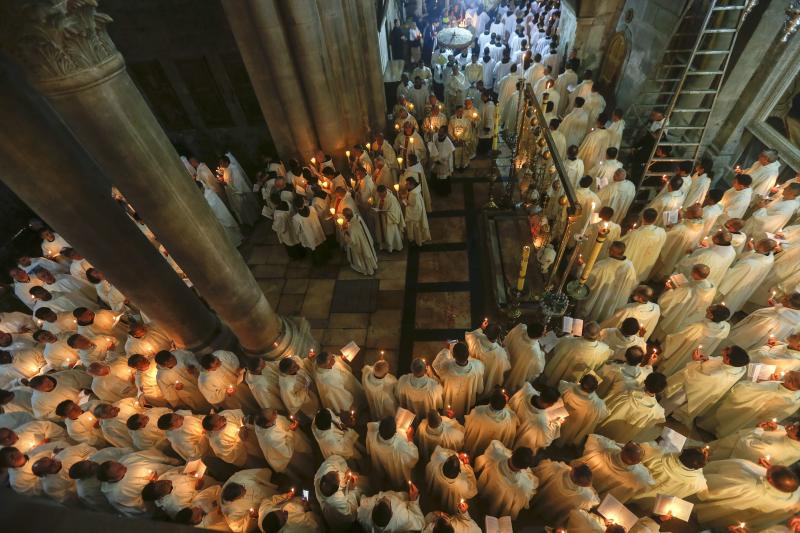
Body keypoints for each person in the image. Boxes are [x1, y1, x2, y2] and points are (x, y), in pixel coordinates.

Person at [696, 461, 800, 530]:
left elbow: (711, 489)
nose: (766, 468)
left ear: (770, 480)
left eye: (769, 470)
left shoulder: (749, 486)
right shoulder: (792, 495)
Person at [663, 345, 749, 426]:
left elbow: (696, 379)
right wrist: (707, 359)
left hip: (691, 389)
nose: (723, 350)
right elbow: (719, 360)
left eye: (726, 351)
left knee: (673, 400)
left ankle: (659, 414)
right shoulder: (739, 367)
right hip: (702, 385)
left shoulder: (720, 376)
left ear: (728, 360)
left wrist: (696, 361)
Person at [698, 371, 800, 437]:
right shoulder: (789, 390)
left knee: (734, 421)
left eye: (787, 378)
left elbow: (781, 411)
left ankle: (718, 433)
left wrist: (746, 388)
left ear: (791, 383)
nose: (783, 378)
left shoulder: (785, 398)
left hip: (752, 411)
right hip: (754, 408)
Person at [98, 449, 180, 517]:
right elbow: (141, 507)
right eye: (118, 470)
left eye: (118, 464)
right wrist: (153, 487)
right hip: (168, 494)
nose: (123, 466)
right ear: (111, 480)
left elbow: (151, 455)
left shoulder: (126, 460)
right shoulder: (119, 494)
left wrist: (174, 462)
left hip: (174, 471)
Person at [596, 373, 667, 442]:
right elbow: (645, 430)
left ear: (645, 381)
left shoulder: (626, 394)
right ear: (661, 390)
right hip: (619, 440)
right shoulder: (657, 412)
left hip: (601, 431)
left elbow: (606, 407)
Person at [475, 442, 537, 520]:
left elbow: (494, 443)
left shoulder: (495, 454)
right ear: (525, 468)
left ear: (513, 452)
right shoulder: (523, 487)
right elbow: (522, 502)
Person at [720, 292, 800, 352]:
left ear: (790, 306)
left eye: (785, 298)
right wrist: (776, 306)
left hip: (739, 341)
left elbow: (750, 335)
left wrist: (732, 341)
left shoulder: (773, 319)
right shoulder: (792, 317)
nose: (782, 297)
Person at [581, 241, 639, 322]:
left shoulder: (603, 266)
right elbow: (632, 285)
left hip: (599, 298)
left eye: (610, 249)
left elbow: (588, 277)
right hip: (615, 302)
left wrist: (582, 265)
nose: (608, 250)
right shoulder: (630, 266)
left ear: (612, 251)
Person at [543, 322, 612, 387]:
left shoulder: (568, 342)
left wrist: (569, 336)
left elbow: (556, 350)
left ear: (584, 332)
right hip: (575, 383)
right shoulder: (604, 350)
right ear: (598, 335)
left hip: (558, 375)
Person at [253, 409, 315, 481]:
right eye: (274, 414)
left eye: (273, 411)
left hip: (287, 437)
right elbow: (287, 452)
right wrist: (291, 431)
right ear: (268, 424)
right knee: (305, 464)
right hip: (288, 455)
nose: (276, 412)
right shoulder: (272, 438)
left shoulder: (259, 423)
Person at [632, 446, 707, 505]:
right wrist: (700, 457)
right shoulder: (698, 483)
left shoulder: (658, 457)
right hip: (651, 504)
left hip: (632, 490)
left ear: (683, 452)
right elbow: (704, 496)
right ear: (698, 467)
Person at [531, 461, 600, 526]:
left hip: (540, 500)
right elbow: (596, 502)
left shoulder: (555, 468)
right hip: (552, 515)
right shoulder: (585, 496)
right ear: (582, 484)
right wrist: (591, 488)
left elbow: (540, 471)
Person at [707, 420, 800, 465]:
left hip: (733, 449)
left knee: (710, 456)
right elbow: (784, 433)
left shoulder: (780, 450)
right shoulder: (792, 437)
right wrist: (777, 428)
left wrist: (758, 430)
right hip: (735, 441)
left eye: (796, 428)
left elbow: (749, 447)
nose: (792, 425)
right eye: (797, 424)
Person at [432, 342, 485, 418]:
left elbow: (436, 364)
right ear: (468, 354)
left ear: (453, 355)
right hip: (467, 398)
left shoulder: (447, 367)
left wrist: (446, 350)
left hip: (450, 398)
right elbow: (479, 388)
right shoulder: (477, 366)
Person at [366, 415, 419, 490]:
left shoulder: (372, 434)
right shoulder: (400, 448)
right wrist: (410, 438)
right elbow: (414, 457)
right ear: (395, 432)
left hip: (381, 465)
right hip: (397, 473)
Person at [558, 375, 609, 448]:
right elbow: (601, 417)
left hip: (560, 419)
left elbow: (561, 385)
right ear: (596, 387)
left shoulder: (568, 388)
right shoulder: (598, 405)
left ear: (581, 381)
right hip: (575, 429)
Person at [220, 468, 278, 532]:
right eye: (243, 493)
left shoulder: (238, 479)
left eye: (243, 487)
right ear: (235, 499)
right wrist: (251, 517)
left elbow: (265, 472)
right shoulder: (232, 512)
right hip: (265, 509)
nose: (245, 489)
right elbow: (238, 528)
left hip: (270, 495)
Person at [509, 383, 562, 453]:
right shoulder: (541, 421)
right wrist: (556, 424)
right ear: (550, 405)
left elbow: (512, 402)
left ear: (540, 393)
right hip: (520, 442)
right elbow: (545, 442)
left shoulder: (527, 390)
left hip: (509, 427)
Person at [314, 455, 364, 529]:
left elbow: (336, 459)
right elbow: (351, 514)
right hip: (335, 514)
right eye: (339, 481)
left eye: (336, 472)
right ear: (336, 490)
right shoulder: (337, 499)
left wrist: (347, 470)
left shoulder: (327, 468)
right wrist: (349, 489)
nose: (339, 473)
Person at [464, 388, 518, 455]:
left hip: (476, 444)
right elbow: (510, 437)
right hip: (493, 452)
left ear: (490, 401)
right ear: (504, 405)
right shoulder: (510, 419)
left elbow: (467, 425)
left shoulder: (477, 411)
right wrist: (505, 403)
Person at [425, 446, 478, 514]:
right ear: (458, 471)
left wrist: (457, 456)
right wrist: (466, 465)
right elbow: (472, 487)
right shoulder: (462, 486)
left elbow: (440, 452)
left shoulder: (433, 465)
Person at [312, 350, 366, 415]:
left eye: (332, 356)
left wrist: (341, 358)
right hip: (347, 388)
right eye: (331, 360)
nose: (334, 359)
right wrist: (351, 403)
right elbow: (341, 397)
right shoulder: (329, 382)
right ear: (326, 366)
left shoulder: (318, 362)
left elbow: (335, 358)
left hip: (347, 379)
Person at [620, 209, 666, 282]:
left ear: (642, 218)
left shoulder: (636, 234)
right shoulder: (662, 232)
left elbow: (622, 244)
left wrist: (629, 234)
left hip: (635, 261)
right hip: (647, 263)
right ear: (656, 218)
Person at [357, 485, 426, 532]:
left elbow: (362, 501)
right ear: (392, 513)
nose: (384, 497)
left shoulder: (364, 512)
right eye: (388, 502)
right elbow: (420, 523)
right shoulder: (402, 517)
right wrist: (413, 500)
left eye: (380, 500)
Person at [196, 181, 242, 247]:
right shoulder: (204, 195)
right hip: (217, 217)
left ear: (202, 188)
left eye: (199, 190)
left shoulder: (209, 194)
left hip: (220, 215)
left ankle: (237, 244)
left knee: (229, 233)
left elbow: (214, 206)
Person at [218, 155, 260, 227]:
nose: (220, 165)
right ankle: (248, 223)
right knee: (241, 210)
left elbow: (237, 182)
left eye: (221, 163)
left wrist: (225, 183)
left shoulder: (233, 169)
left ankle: (253, 222)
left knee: (245, 208)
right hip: (233, 193)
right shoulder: (227, 169)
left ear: (226, 162)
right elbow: (229, 180)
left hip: (238, 193)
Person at [504, 321, 545, 391]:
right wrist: (542, 352)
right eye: (544, 331)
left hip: (506, 361)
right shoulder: (534, 352)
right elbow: (537, 370)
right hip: (516, 372)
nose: (545, 332)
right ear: (540, 336)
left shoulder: (519, 328)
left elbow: (506, 340)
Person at [341, 207, 378, 276]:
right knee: (368, 253)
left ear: (347, 216)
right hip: (365, 240)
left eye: (344, 216)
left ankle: (366, 269)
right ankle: (372, 266)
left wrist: (344, 231)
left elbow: (352, 241)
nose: (345, 218)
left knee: (363, 256)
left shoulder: (352, 226)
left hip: (360, 246)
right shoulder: (357, 217)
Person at [374, 185, 405, 253]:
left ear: (385, 192)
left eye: (381, 195)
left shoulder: (392, 199)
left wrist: (386, 213)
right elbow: (379, 205)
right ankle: (385, 247)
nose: (380, 196)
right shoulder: (380, 196)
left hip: (389, 221)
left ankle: (394, 247)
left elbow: (395, 212)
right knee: (383, 234)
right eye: (379, 194)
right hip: (381, 220)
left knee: (390, 235)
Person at [404, 176, 431, 246]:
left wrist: (403, 200)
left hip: (415, 214)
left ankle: (418, 242)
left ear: (412, 185)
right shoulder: (415, 190)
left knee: (416, 230)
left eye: (407, 184)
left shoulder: (413, 194)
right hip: (417, 211)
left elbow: (410, 204)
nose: (405, 185)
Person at [431, 125, 456, 193]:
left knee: (444, 180)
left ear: (445, 133)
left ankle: (444, 192)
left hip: (445, 165)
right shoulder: (437, 139)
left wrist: (451, 169)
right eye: (439, 131)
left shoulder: (448, 142)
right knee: (438, 178)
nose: (439, 133)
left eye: (441, 132)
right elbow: (434, 150)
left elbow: (450, 156)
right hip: (438, 163)